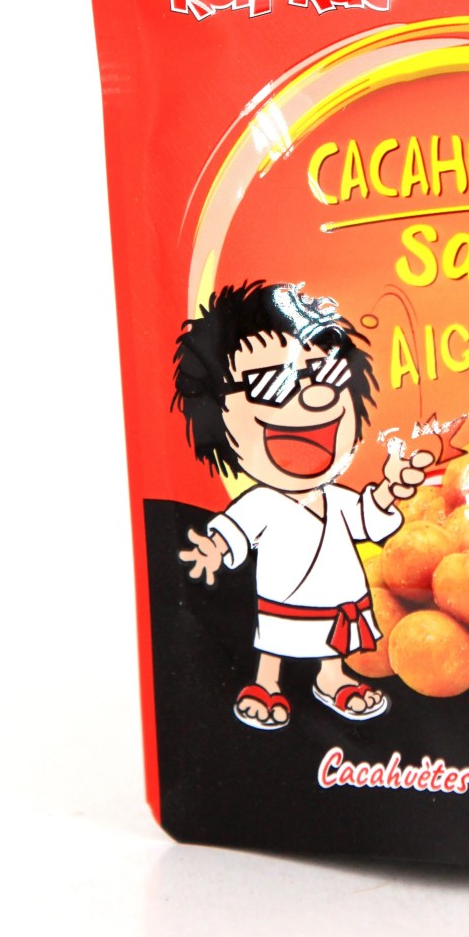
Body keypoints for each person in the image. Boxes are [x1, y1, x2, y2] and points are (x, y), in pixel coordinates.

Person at [173, 281, 430, 729]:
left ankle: (333, 681)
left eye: (326, 375)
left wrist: (390, 489)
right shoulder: (262, 502)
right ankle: (266, 683)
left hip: (338, 599)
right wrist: (214, 548)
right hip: (285, 599)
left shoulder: (336, 499)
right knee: (276, 640)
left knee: (332, 645)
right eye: (273, 384)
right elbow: (235, 530)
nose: (313, 398)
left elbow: (368, 519)